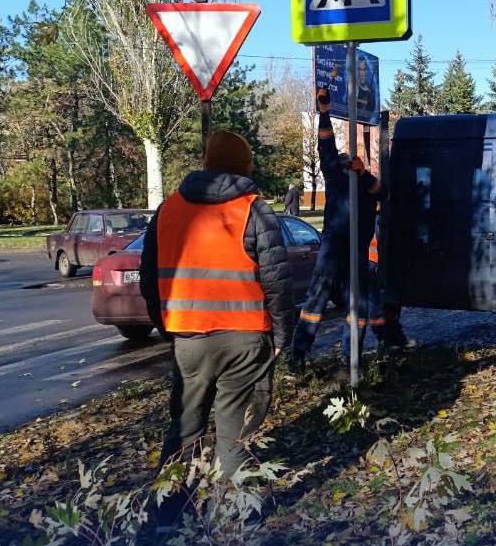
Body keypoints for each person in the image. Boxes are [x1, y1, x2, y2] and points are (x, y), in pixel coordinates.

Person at [139, 130, 294, 519]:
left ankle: (167, 513)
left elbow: (148, 279)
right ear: (245, 166)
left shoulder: (168, 209)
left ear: (207, 162)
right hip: (244, 341)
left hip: (188, 339)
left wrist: (169, 328)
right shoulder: (254, 210)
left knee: (184, 429)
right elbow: (277, 280)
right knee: (234, 435)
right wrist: (281, 334)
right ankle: (233, 517)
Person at [286, 88, 385, 369]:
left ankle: (350, 358)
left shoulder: (364, 183)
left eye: (348, 162)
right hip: (333, 249)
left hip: (357, 250)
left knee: (359, 307)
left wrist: (364, 174)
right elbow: (325, 148)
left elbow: (383, 192)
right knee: (316, 302)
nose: (345, 163)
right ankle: (299, 356)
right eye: (343, 162)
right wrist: (324, 114)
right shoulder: (336, 179)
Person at [367, 204, 415, 352]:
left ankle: (391, 337)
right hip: (374, 263)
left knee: (390, 300)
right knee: (378, 301)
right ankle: (387, 338)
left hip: (380, 261)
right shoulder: (373, 216)